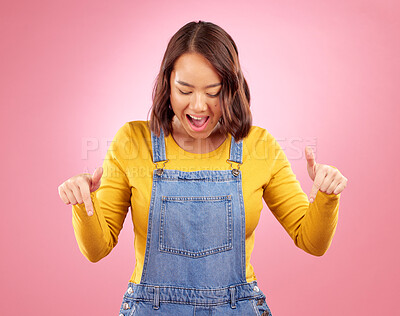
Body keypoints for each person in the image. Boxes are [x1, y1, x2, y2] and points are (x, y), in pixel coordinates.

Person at [58, 20, 348, 316]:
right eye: (185, 90)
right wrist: (83, 202)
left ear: (233, 89)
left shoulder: (260, 146)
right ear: (167, 85)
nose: (198, 107)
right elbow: (97, 250)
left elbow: (311, 241)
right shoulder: (132, 142)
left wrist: (326, 195)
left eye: (214, 92)